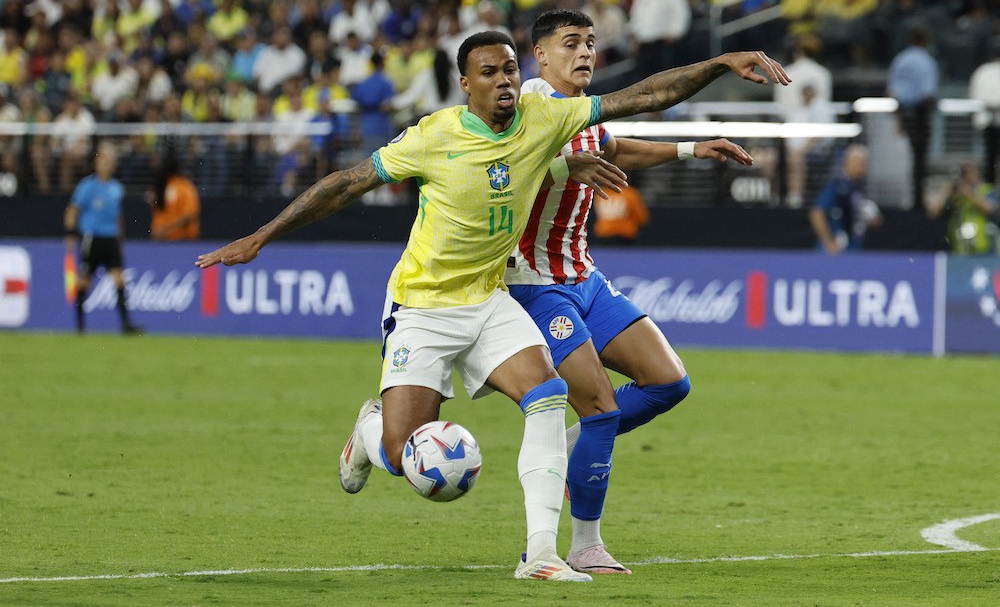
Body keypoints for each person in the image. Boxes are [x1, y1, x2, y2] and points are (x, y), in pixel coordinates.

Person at [195, 30, 790, 581]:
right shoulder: (434, 135)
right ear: (466, 83)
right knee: (406, 455)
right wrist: (262, 235)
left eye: (509, 70)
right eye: (489, 72)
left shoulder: (544, 115)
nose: (504, 81)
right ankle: (372, 432)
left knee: (550, 395)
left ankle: (542, 555)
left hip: (491, 297)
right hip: (424, 307)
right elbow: (346, 183)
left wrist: (717, 65)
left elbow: (645, 95)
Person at [509, 9, 765, 575]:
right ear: (541, 55)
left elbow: (614, 146)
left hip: (585, 278)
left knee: (669, 381)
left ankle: (575, 443)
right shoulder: (526, 108)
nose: (585, 52)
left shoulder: (583, 111)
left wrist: (689, 150)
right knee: (602, 408)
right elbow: (505, 170)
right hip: (534, 286)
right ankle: (582, 545)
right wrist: (561, 168)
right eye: (571, 43)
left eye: (591, 43)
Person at [64, 141, 141, 334]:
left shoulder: (116, 188)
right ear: (96, 163)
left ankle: (125, 325)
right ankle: (80, 326)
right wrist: (71, 233)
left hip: (111, 239)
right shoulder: (87, 186)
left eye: (110, 160)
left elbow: (118, 216)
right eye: (104, 159)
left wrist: (120, 239)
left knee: (119, 280)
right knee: (84, 281)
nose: (107, 164)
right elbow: (73, 210)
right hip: (92, 239)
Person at [887, 27, 938, 210]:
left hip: (901, 112)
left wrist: (899, 118)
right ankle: (917, 201)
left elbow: (892, 90)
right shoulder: (926, 61)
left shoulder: (900, 60)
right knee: (919, 159)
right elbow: (927, 93)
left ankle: (908, 198)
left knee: (904, 158)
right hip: (919, 113)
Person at [809, 144, 882, 254]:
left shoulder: (857, 188)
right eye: (858, 163)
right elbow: (816, 214)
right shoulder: (837, 187)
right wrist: (829, 242)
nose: (862, 167)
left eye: (864, 163)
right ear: (847, 162)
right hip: (836, 251)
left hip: (853, 249)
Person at [927, 161, 999, 255]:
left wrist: (969, 195)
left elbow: (990, 208)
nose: (967, 177)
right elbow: (932, 212)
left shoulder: (985, 189)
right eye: (964, 173)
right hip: (958, 245)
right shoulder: (955, 192)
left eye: (969, 172)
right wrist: (944, 192)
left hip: (984, 244)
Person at [968, 41, 1000, 185]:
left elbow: (974, 95)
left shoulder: (982, 71)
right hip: (988, 121)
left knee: (989, 159)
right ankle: (990, 194)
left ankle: (990, 190)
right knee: (989, 160)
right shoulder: (983, 72)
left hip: (987, 121)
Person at [149, 157, 201, 241]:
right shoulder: (184, 187)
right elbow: (190, 214)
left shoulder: (161, 187)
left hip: (172, 239)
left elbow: (188, 215)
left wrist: (164, 230)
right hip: (177, 240)